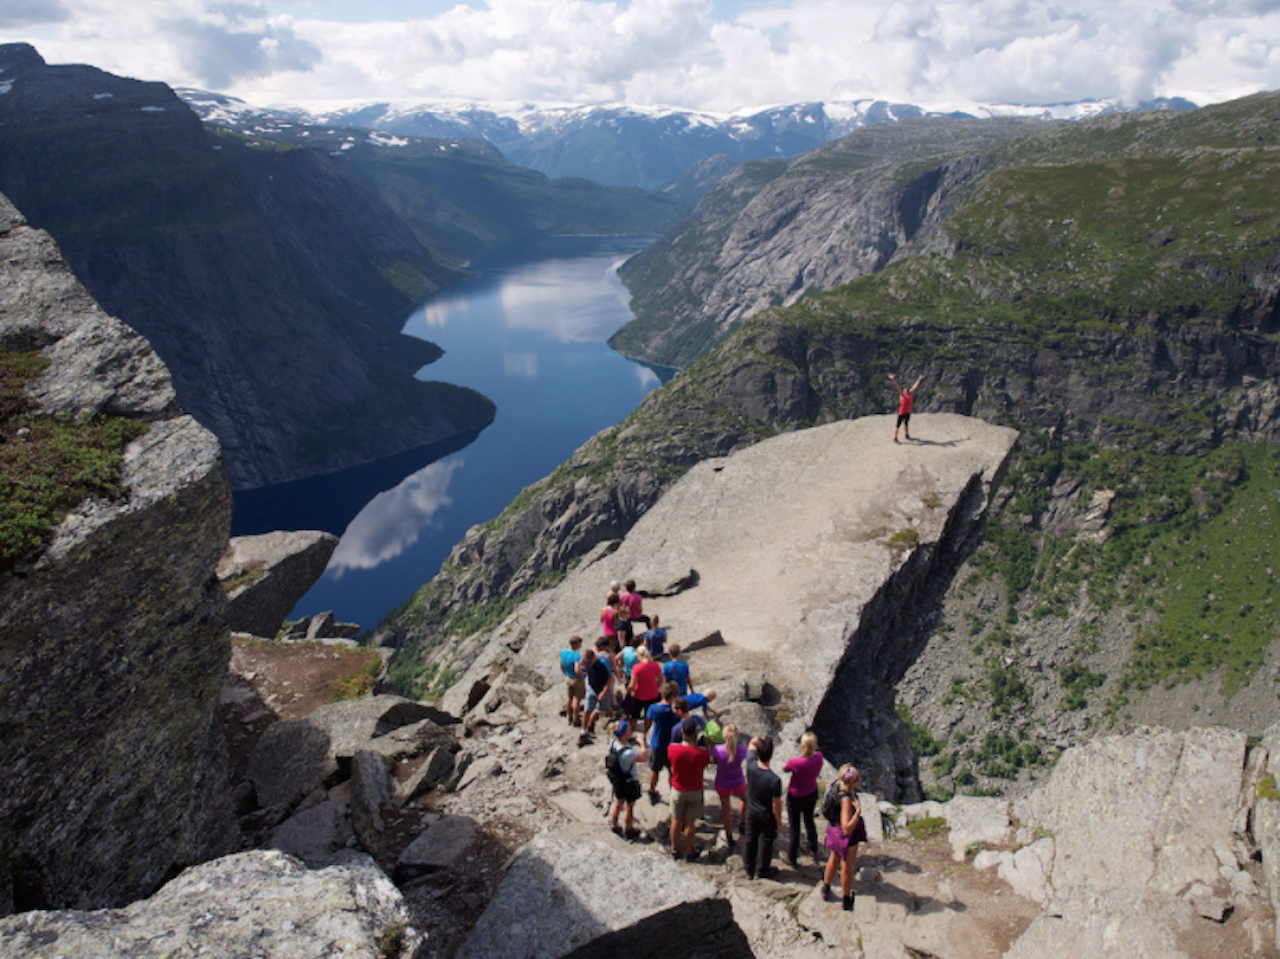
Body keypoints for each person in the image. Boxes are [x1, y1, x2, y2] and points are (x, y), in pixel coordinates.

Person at [821, 765, 866, 911]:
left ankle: (826, 889)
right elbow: (847, 828)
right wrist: (857, 812)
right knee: (846, 867)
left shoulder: (836, 783)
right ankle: (846, 900)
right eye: (857, 779)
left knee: (833, 860)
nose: (860, 780)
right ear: (851, 782)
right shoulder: (846, 800)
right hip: (845, 836)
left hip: (834, 830)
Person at [667, 717, 711, 861]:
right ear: (696, 733)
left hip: (678, 788)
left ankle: (673, 849)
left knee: (676, 819)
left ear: (681, 732)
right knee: (690, 823)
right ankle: (689, 850)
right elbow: (704, 765)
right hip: (695, 789)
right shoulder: (702, 753)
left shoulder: (672, 749)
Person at [742, 735, 783, 881]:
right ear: (771, 754)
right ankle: (762, 870)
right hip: (766, 813)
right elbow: (776, 804)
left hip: (752, 809)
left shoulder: (751, 765)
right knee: (766, 841)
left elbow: (751, 745)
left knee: (750, 837)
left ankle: (748, 868)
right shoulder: (774, 779)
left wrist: (757, 739)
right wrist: (778, 822)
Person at [783, 731, 824, 865]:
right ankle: (813, 848)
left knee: (795, 825)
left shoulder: (796, 762)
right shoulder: (819, 757)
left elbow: (785, 769)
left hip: (796, 795)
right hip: (811, 792)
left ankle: (792, 856)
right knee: (809, 820)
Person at [607, 720, 647, 840]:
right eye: (629, 729)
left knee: (618, 802)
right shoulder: (628, 753)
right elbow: (644, 758)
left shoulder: (613, 743)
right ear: (625, 734)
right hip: (629, 781)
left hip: (618, 779)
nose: (631, 730)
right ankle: (629, 829)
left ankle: (614, 824)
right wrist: (642, 744)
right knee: (629, 806)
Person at [645, 682, 684, 804]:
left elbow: (648, 720)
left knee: (654, 770)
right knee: (672, 771)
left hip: (657, 744)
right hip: (673, 745)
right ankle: (673, 794)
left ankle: (651, 792)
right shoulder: (677, 711)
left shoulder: (654, 709)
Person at [711, 723, 748, 845]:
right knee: (745, 799)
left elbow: (713, 760)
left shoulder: (717, 749)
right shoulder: (742, 749)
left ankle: (729, 835)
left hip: (722, 782)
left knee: (726, 810)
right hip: (738, 781)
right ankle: (743, 823)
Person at [579, 648, 613, 748]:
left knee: (606, 708)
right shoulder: (585, 661)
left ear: (594, 657)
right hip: (591, 688)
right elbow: (582, 668)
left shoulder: (602, 663)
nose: (589, 663)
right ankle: (583, 733)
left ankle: (612, 718)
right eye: (587, 661)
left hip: (602, 689)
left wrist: (604, 692)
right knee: (587, 711)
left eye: (590, 661)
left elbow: (610, 678)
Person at [628, 646, 664, 736]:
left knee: (634, 715)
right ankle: (646, 733)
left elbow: (632, 685)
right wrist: (656, 686)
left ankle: (629, 734)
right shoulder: (655, 665)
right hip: (653, 694)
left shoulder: (637, 667)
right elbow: (660, 679)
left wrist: (627, 692)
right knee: (648, 716)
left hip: (639, 695)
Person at [559, 635, 585, 728]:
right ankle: (576, 718)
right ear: (576, 644)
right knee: (577, 700)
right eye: (579, 644)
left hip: (568, 677)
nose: (581, 645)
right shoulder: (576, 656)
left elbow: (561, 665)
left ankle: (569, 715)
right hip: (576, 679)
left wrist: (565, 673)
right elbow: (577, 669)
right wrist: (578, 677)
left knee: (569, 697)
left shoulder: (563, 652)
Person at [889, 373, 923, 442]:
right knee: (897, 425)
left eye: (908, 389)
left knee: (906, 424)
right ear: (904, 391)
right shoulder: (902, 395)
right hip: (901, 413)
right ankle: (895, 438)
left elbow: (915, 386)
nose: (907, 391)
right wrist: (893, 379)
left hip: (907, 412)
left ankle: (906, 435)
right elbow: (897, 387)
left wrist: (919, 379)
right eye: (906, 390)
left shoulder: (910, 394)